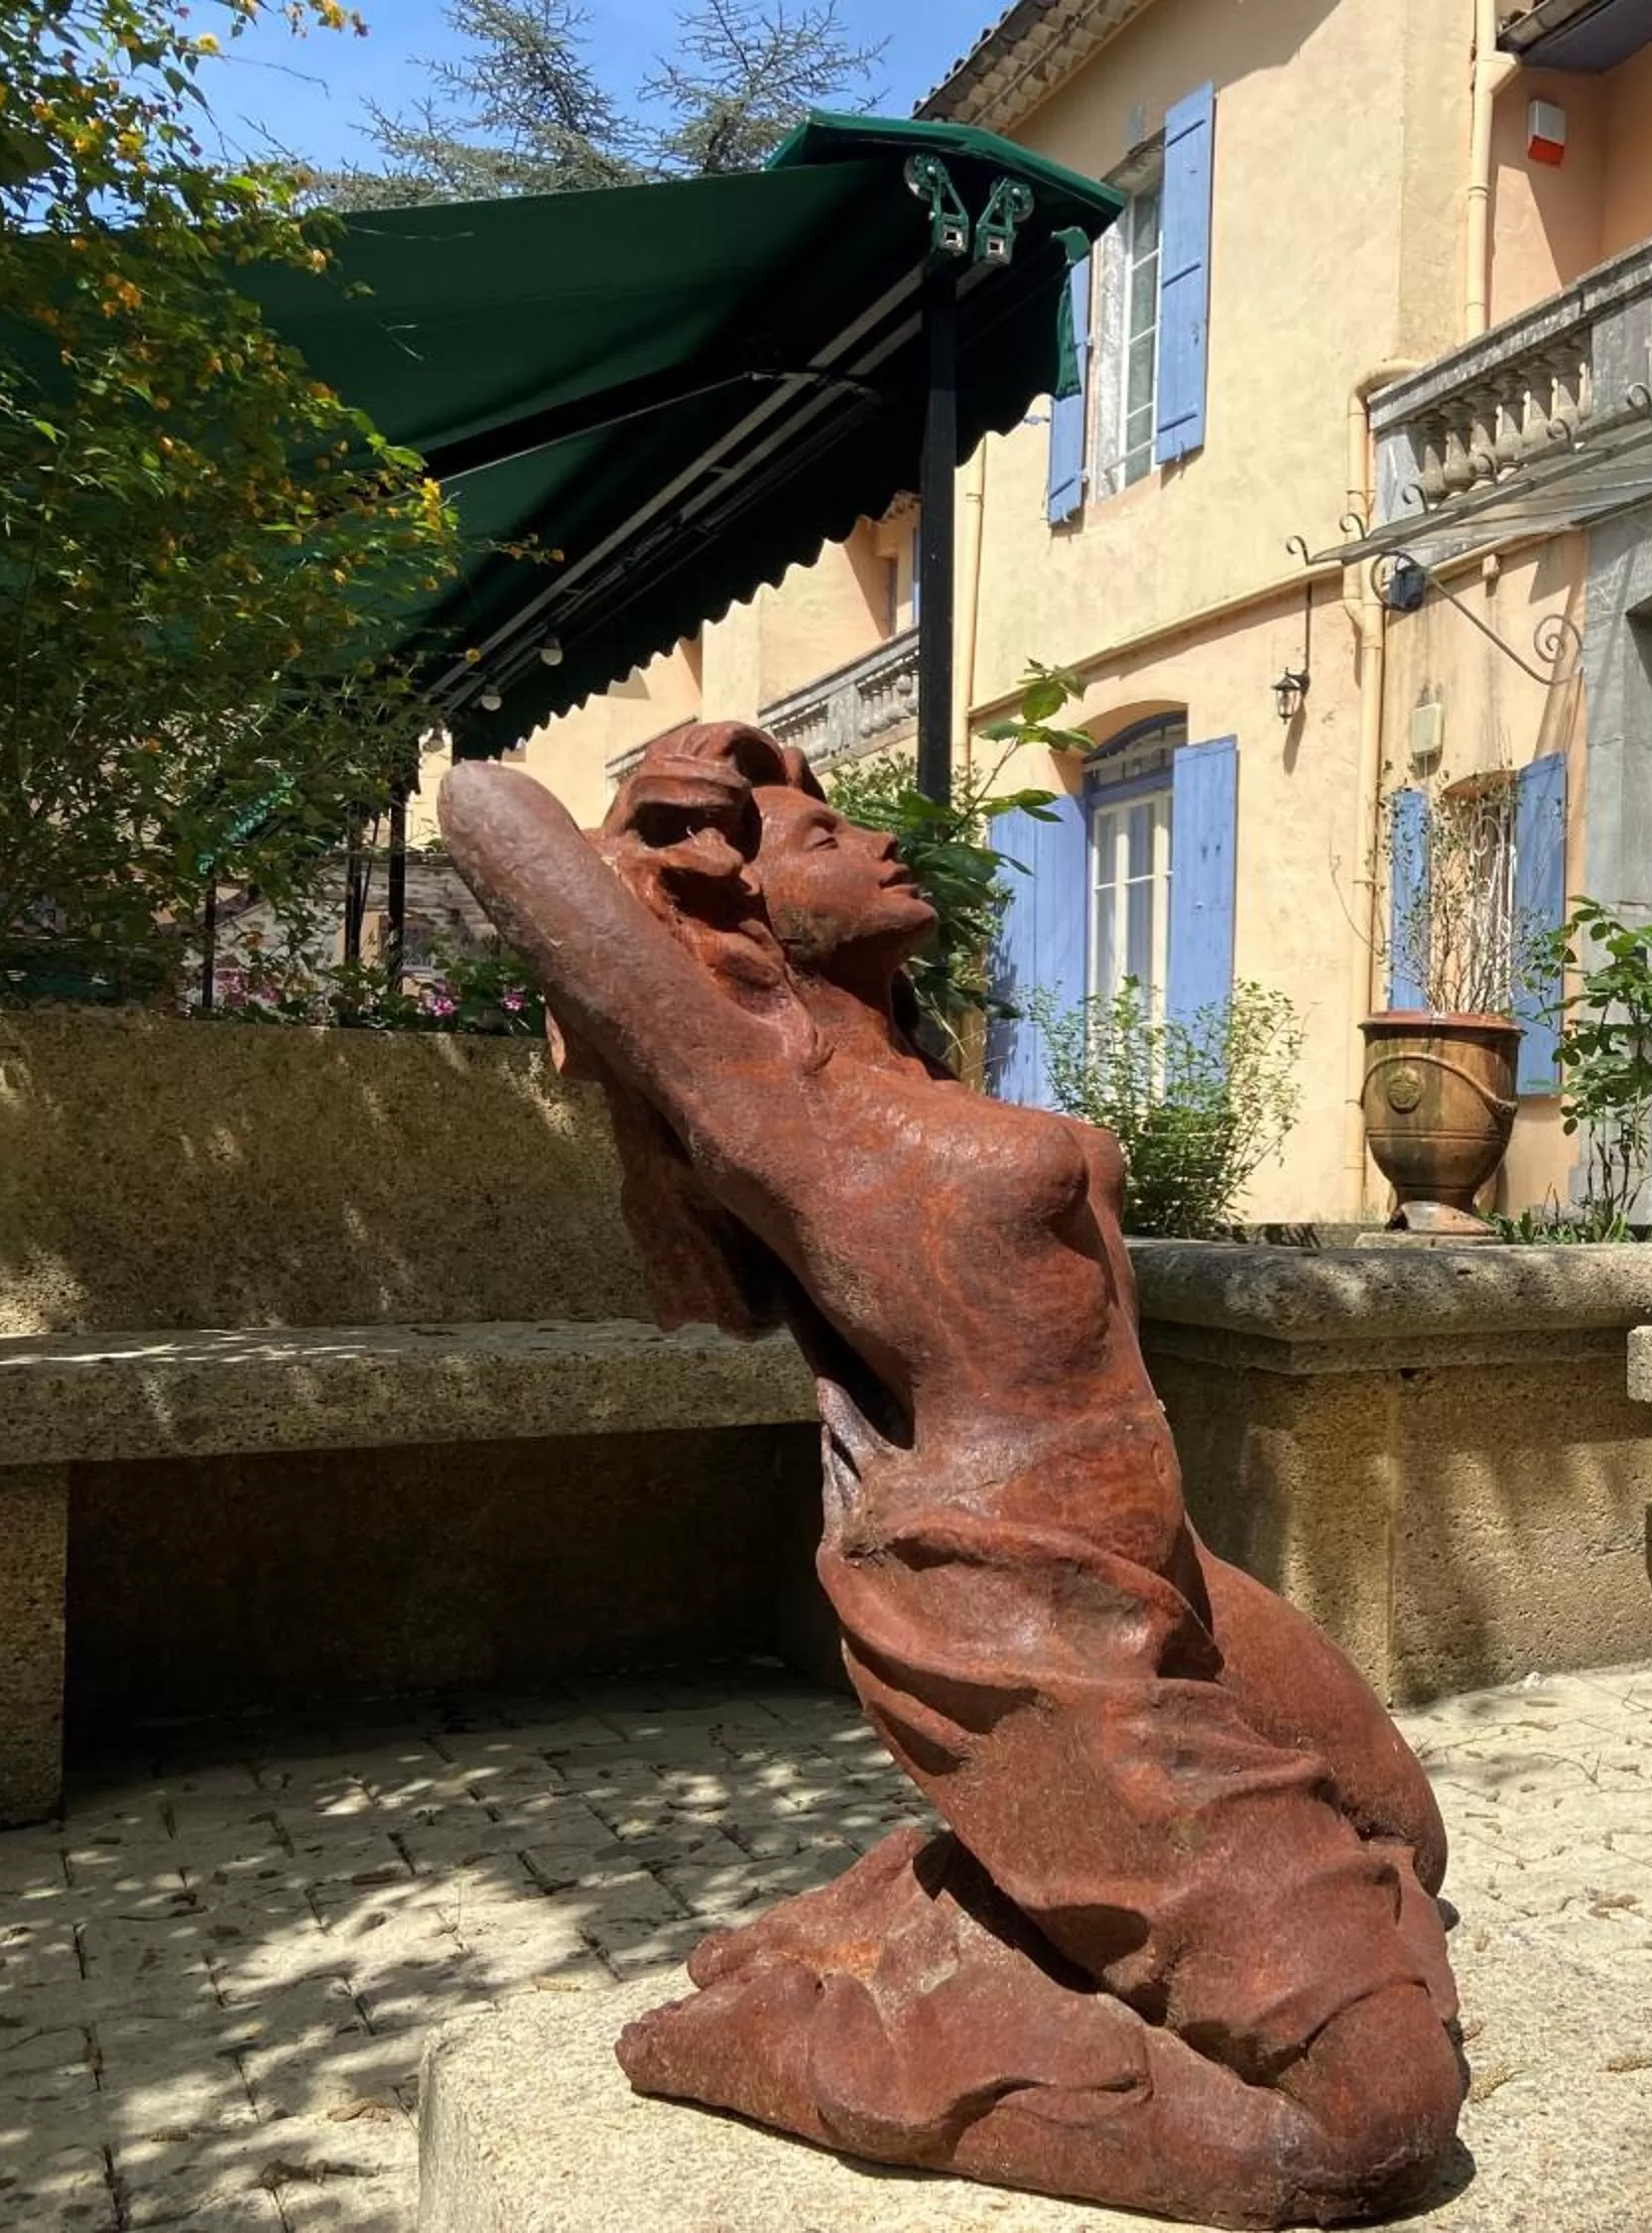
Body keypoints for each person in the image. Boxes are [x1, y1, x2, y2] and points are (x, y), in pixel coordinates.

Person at [440, 724, 1462, 2229]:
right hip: (1010, 1598)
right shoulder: (757, 1095)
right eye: (823, 836)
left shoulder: (922, 1077)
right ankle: (815, 2037)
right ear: (734, 900)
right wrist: (695, 787)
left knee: (1401, 1844)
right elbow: (483, 807)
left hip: (1166, 1562)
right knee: (1379, 2120)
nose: (878, 841)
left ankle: (977, 1903)